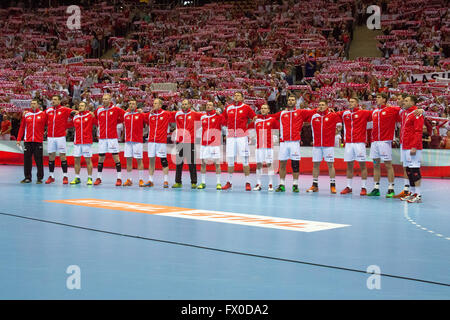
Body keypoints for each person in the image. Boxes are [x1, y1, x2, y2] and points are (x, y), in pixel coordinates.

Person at [273, 95, 316, 193]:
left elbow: (313, 112)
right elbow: (270, 117)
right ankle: (282, 185)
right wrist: (256, 117)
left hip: (295, 143)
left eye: (292, 100)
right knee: (282, 164)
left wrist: (326, 110)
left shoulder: (300, 112)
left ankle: (295, 185)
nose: (290, 101)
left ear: (295, 102)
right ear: (287, 101)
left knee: (295, 165)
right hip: (283, 142)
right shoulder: (282, 113)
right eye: (289, 100)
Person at [367, 92, 402, 198]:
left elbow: (405, 112)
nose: (376, 99)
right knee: (375, 164)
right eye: (376, 97)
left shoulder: (392, 110)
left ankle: (391, 188)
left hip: (385, 141)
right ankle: (376, 188)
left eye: (378, 97)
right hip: (374, 142)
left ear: (384, 100)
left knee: (388, 165)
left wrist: (421, 111)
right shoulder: (374, 112)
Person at [221, 92, 256, 191]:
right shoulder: (229, 108)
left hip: (242, 137)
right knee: (230, 160)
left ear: (242, 98)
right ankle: (229, 182)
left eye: (238, 95)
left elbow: (254, 118)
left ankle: (247, 182)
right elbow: (223, 118)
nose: (236, 97)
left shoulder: (246, 107)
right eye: (235, 95)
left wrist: (247, 129)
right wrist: (226, 128)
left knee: (245, 160)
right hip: (231, 136)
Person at [306, 99, 342, 194]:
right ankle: (315, 185)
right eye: (319, 105)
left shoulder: (333, 115)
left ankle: (332, 186)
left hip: (328, 145)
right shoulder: (314, 116)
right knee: (315, 165)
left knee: (330, 165)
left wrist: (332, 134)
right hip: (317, 145)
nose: (320, 106)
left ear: (327, 106)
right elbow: (306, 116)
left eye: (323, 104)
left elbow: (339, 126)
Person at [339, 97, 373, 196]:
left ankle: (364, 187)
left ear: (357, 103)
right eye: (349, 102)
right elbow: (332, 115)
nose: (350, 103)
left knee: (362, 165)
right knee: (349, 166)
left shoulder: (364, 112)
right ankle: (349, 187)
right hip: (348, 143)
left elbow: (376, 113)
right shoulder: (345, 113)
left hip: (360, 143)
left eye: (353, 102)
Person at [94, 94, 126, 186]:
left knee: (116, 158)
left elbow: (125, 114)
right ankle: (99, 178)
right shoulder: (99, 110)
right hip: (103, 138)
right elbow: (94, 117)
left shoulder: (116, 109)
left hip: (112, 138)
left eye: (106, 99)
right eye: (103, 99)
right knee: (101, 158)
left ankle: (119, 178)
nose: (104, 100)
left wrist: (118, 121)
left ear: (110, 100)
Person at [172, 99, 203, 189]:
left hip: (190, 141)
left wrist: (215, 112)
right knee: (179, 163)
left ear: (189, 105)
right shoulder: (177, 114)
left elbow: (206, 116)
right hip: (180, 141)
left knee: (192, 163)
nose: (184, 105)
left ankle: (193, 182)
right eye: (183, 104)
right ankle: (178, 182)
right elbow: (166, 115)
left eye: (186, 104)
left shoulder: (194, 114)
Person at [144, 98, 174, 188]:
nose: (154, 105)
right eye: (153, 103)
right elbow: (140, 115)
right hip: (151, 141)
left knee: (163, 161)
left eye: (156, 103)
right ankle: (150, 180)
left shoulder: (166, 114)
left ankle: (165, 181)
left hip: (161, 141)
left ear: (160, 105)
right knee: (151, 161)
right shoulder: (150, 115)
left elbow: (177, 115)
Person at [44, 95, 74, 184]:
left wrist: (66, 126)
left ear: (59, 101)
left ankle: (65, 176)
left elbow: (76, 114)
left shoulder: (64, 109)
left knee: (62, 156)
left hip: (60, 137)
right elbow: (42, 119)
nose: (53, 101)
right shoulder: (48, 110)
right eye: (52, 99)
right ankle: (51, 176)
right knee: (51, 157)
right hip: (50, 137)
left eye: (55, 99)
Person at [400, 95, 424, 203]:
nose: (404, 102)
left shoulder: (416, 113)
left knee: (415, 170)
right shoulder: (406, 113)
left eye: (406, 101)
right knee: (409, 170)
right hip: (405, 146)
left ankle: (418, 194)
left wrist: (414, 146)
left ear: (413, 102)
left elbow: (418, 131)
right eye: (404, 100)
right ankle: (412, 192)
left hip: (413, 147)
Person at [16, 99, 47, 184]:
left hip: (38, 141)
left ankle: (39, 178)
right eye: (31, 103)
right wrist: (19, 139)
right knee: (27, 160)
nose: (33, 105)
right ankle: (27, 177)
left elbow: (49, 124)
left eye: (34, 103)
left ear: (38, 105)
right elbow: (22, 127)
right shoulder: (26, 114)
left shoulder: (42, 114)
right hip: (28, 141)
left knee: (39, 160)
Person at [197, 101, 225, 190]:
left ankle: (218, 183)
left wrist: (219, 114)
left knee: (217, 164)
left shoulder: (217, 116)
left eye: (210, 105)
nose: (208, 106)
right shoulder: (203, 117)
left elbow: (224, 122)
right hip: (204, 143)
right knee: (203, 163)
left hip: (214, 144)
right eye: (207, 105)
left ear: (213, 107)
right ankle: (203, 182)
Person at [70, 101, 96, 185]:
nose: (80, 107)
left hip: (86, 142)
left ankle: (90, 178)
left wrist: (90, 112)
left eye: (82, 106)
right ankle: (77, 178)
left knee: (88, 160)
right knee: (76, 160)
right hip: (77, 142)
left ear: (86, 107)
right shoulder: (75, 117)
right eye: (79, 106)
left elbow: (96, 119)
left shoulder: (89, 115)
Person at [122, 99, 147, 187]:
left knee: (139, 161)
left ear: (136, 106)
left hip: (137, 142)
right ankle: (129, 179)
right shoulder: (125, 114)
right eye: (130, 104)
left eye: (133, 104)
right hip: (128, 141)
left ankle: (141, 180)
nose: (131, 105)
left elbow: (147, 121)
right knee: (128, 161)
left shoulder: (140, 114)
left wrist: (143, 113)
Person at [253, 104, 278, 191]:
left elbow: (277, 130)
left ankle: (270, 184)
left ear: (268, 110)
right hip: (259, 146)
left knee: (269, 164)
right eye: (262, 108)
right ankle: (258, 184)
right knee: (259, 165)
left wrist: (275, 139)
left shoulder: (272, 120)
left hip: (269, 146)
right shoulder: (257, 121)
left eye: (265, 108)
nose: (263, 110)